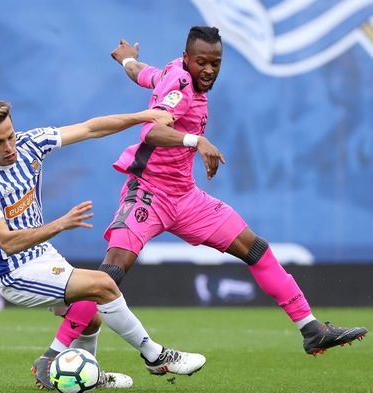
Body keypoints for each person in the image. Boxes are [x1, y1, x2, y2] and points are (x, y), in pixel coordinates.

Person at [102, 26, 367, 356]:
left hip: (185, 197)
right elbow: (152, 131)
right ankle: (59, 349)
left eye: (215, 63)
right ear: (187, 58)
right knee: (112, 271)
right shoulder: (182, 84)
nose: (209, 70)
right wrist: (196, 140)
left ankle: (311, 330)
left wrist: (127, 61)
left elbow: (147, 75)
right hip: (149, 192)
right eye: (202, 62)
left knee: (255, 248)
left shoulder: (174, 71)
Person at [0, 99, 206, 390]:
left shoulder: (30, 144)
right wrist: (60, 224)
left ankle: (79, 373)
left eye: (11, 136)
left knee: (90, 317)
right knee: (103, 285)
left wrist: (142, 115)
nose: (9, 146)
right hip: (15, 272)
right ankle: (156, 356)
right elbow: (6, 242)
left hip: (42, 255)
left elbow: (91, 128)